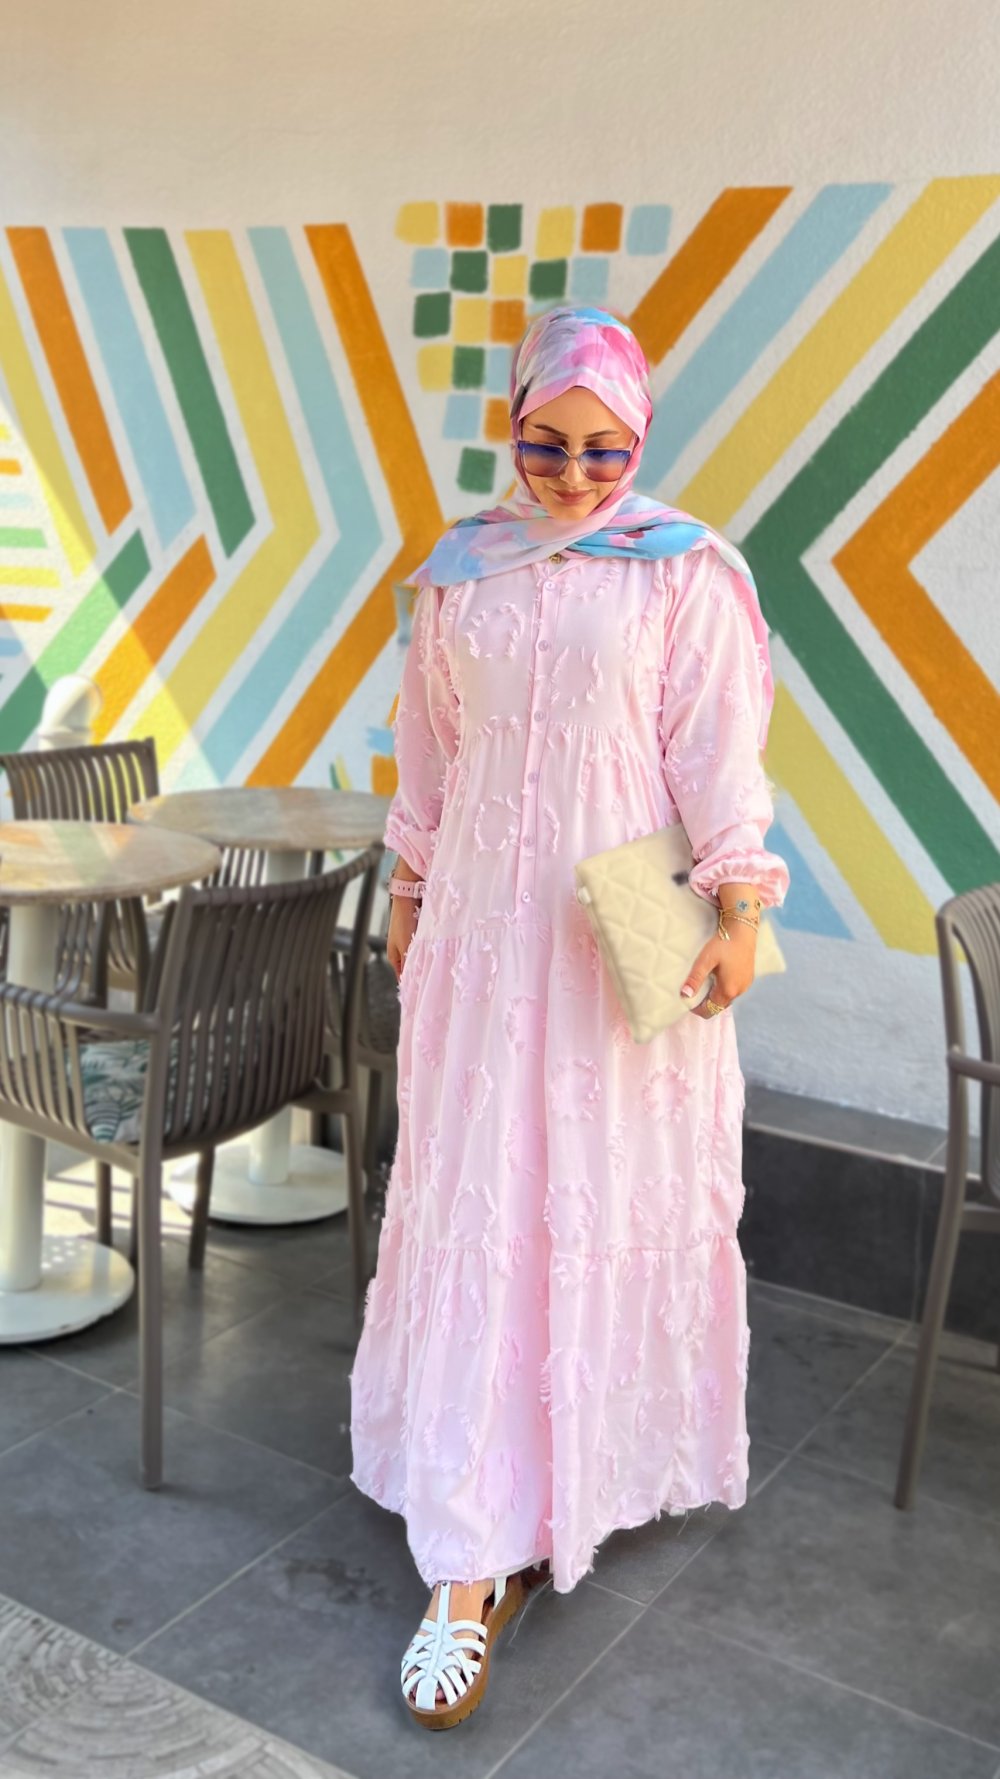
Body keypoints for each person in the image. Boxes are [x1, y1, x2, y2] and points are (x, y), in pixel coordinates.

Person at [349, 304, 790, 1730]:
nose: (577, 474)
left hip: (618, 939)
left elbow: (718, 749)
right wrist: (410, 881)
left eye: (606, 448)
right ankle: (472, 1542)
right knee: (482, 1193)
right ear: (513, 426)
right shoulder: (459, 574)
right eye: (549, 444)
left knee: (600, 1189)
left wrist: (740, 906)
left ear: (639, 437)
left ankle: (586, 1469)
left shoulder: (685, 571)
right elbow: (429, 744)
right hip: (483, 934)